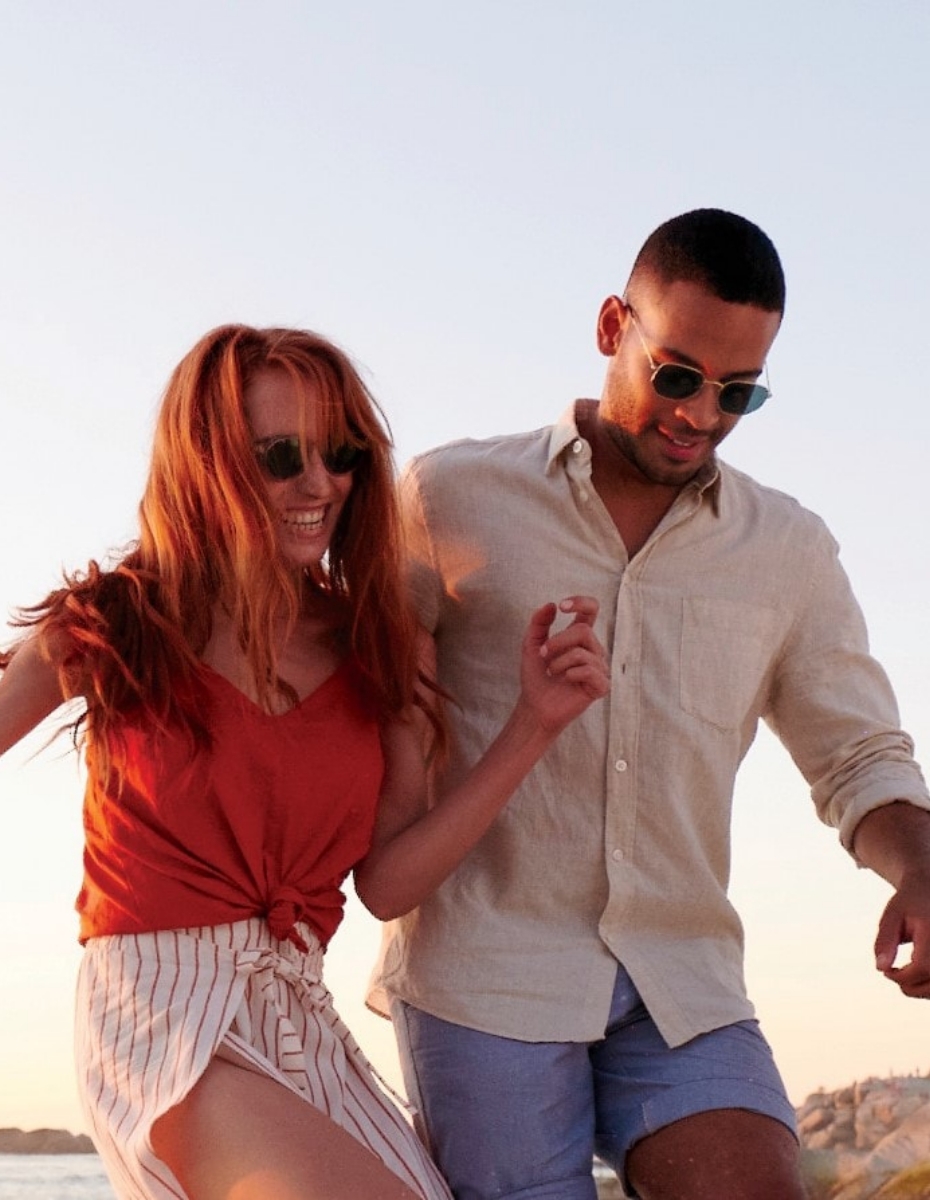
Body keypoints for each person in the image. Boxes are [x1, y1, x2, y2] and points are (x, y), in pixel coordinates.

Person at [369, 209, 930, 1200]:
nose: (701, 414)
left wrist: (920, 869)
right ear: (610, 328)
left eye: (738, 393)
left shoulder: (789, 550)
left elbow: (856, 755)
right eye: (678, 376)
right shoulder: (447, 498)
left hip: (683, 976)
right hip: (485, 973)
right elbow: (354, 700)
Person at [0, 324, 609, 1200]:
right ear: (208, 462)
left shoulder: (373, 644)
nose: (318, 483)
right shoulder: (119, 623)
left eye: (341, 452)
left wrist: (533, 728)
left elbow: (388, 885)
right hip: (160, 1010)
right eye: (280, 455)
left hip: (296, 1010)